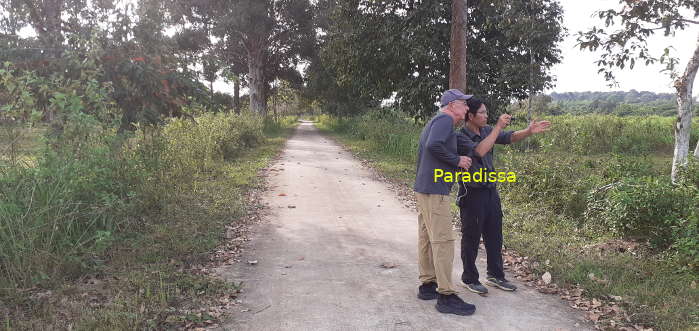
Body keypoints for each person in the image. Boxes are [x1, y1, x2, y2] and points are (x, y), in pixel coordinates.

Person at [456, 97, 551, 295]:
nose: (486, 116)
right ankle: (470, 278)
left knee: (494, 235)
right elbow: (481, 151)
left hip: (490, 191)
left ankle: (495, 275)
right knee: (471, 237)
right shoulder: (460, 136)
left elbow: (509, 137)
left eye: (486, 112)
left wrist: (528, 131)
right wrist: (498, 126)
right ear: (470, 116)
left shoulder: (488, 130)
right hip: (472, 192)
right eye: (481, 113)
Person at [414, 88, 475, 316]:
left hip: (425, 189)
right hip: (434, 190)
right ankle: (446, 296)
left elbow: (432, 147)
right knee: (443, 241)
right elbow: (433, 146)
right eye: (463, 104)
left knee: (427, 239)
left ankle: (427, 284)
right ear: (451, 105)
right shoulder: (444, 120)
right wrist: (457, 160)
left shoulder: (436, 121)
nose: (467, 108)